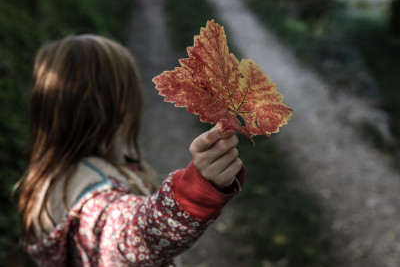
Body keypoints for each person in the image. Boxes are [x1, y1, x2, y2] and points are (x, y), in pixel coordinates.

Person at [18, 34, 245, 266]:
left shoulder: (51, 177)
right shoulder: (91, 200)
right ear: (122, 107)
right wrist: (196, 188)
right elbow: (134, 235)